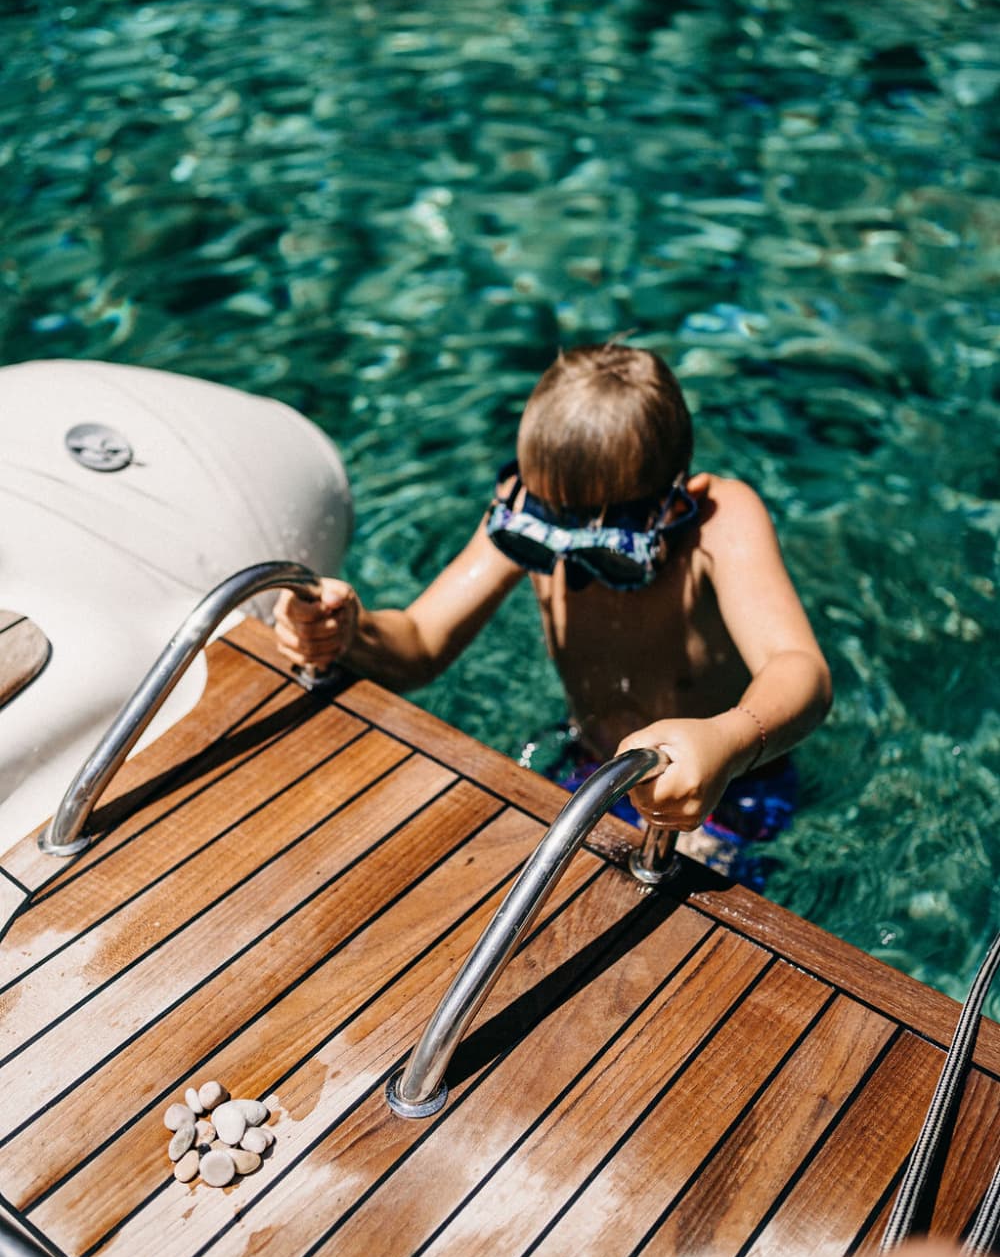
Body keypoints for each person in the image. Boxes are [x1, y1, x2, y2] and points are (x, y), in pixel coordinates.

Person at [274, 343, 832, 879]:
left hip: (724, 786)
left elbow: (798, 667)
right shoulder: (531, 512)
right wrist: (349, 630)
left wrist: (728, 742)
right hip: (590, 763)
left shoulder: (718, 522)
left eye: (607, 553)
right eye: (540, 540)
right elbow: (420, 643)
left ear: (683, 496)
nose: (569, 565)